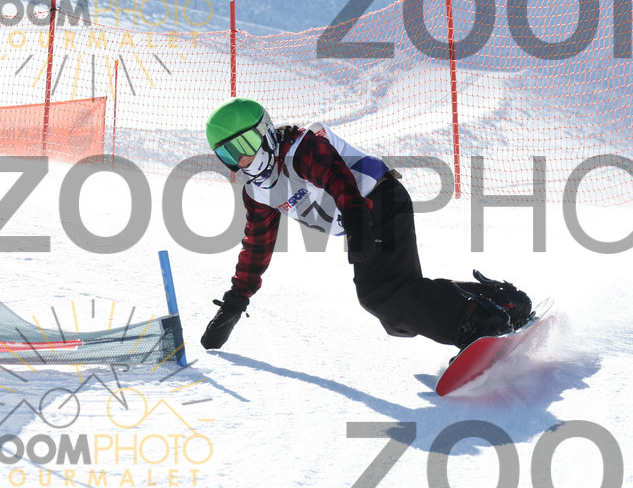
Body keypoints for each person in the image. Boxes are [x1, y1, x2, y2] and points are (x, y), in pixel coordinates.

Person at [198, 98, 531, 353]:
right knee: (396, 313)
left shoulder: (300, 147)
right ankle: (500, 301)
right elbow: (257, 245)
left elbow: (336, 177)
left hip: (378, 199)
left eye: (244, 145)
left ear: (265, 131)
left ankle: (477, 322)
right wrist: (236, 300)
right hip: (365, 214)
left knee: (381, 295)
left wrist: (357, 219)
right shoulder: (257, 191)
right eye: (228, 154)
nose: (242, 160)